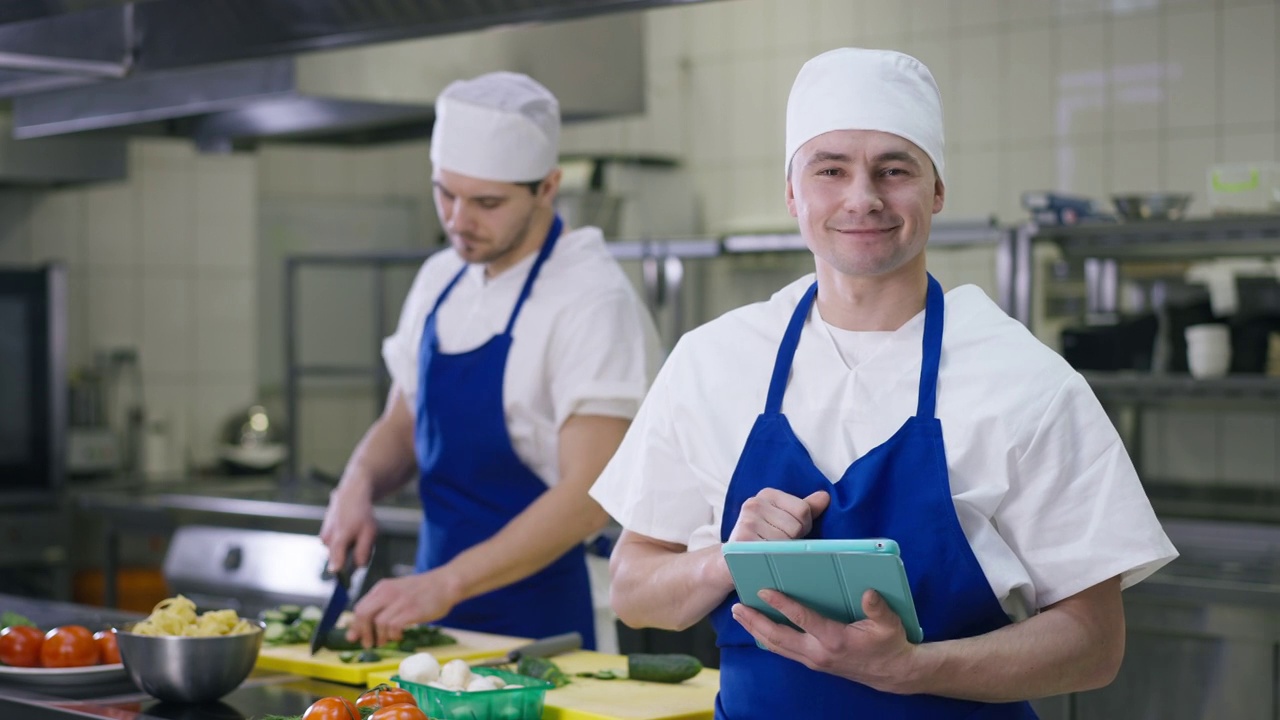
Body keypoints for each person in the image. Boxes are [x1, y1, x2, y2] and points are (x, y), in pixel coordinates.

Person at [589, 48, 1177, 717]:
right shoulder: (711, 362)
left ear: (937, 191)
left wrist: (912, 669)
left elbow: (1095, 644)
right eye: (830, 169)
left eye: (894, 170)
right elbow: (633, 586)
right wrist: (726, 560)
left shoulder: (1028, 383)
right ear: (792, 192)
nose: (862, 197)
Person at [320, 71, 662, 650]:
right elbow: (404, 425)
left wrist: (444, 584)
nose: (457, 220)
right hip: (430, 618)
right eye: (445, 193)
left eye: (487, 202)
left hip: (546, 623)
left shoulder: (590, 299)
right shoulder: (441, 278)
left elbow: (587, 497)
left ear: (547, 187)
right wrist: (356, 483)